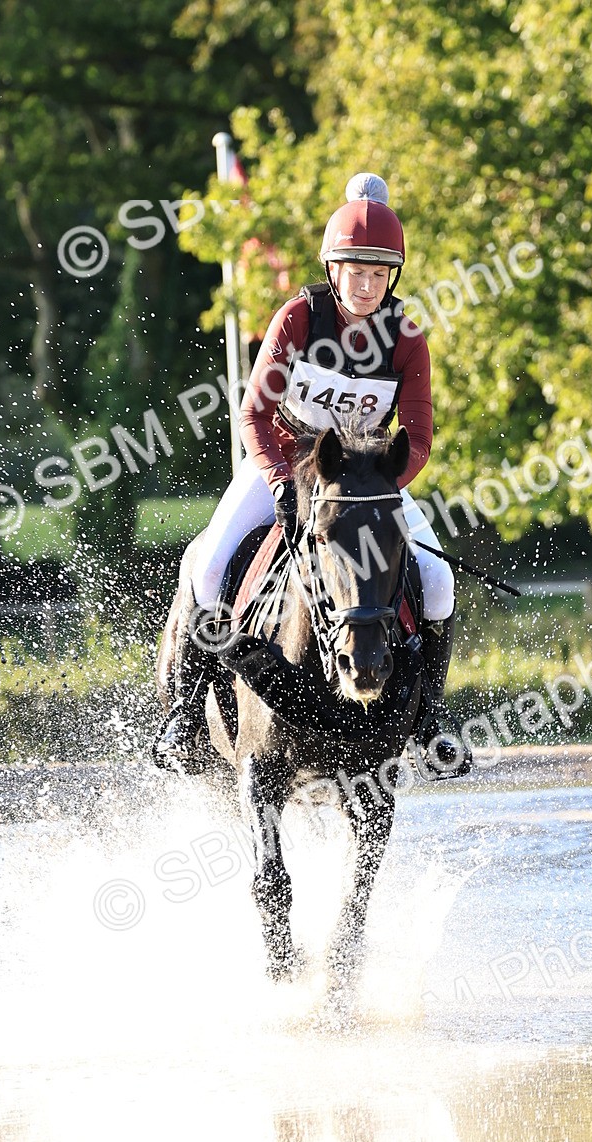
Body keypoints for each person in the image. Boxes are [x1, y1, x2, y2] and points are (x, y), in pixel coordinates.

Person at [153, 172, 471, 777]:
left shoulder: (406, 338)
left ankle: (428, 719)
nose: (367, 285)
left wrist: (373, 494)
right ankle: (189, 713)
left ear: (392, 277)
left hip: (367, 478)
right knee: (212, 562)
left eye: (379, 274)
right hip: (282, 459)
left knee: (436, 578)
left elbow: (421, 439)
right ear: (333, 269)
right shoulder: (299, 318)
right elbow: (254, 413)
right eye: (356, 271)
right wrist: (278, 480)